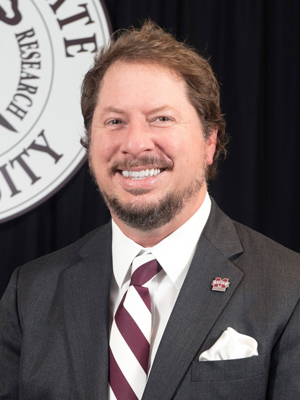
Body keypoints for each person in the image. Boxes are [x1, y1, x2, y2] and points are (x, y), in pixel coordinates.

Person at [1, 20, 300, 400]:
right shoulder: (29, 294)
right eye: (114, 121)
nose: (136, 143)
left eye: (161, 118)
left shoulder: (290, 289)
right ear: (89, 143)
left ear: (210, 142)